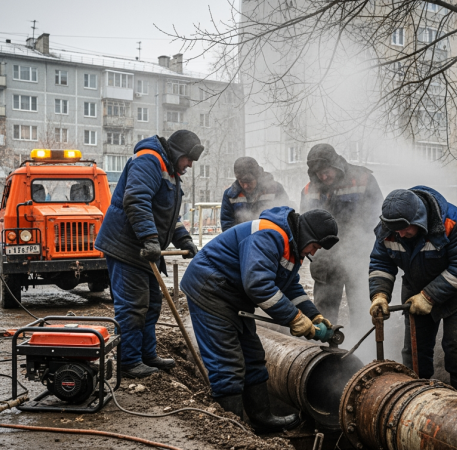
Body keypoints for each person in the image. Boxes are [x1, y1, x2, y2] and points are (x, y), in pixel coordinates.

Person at [180, 206, 338, 433]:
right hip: (210, 290)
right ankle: (231, 430)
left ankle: (261, 418)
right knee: (227, 362)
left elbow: (290, 286)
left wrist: (314, 315)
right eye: (315, 246)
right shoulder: (269, 235)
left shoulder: (292, 246)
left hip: (232, 295)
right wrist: (295, 319)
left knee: (253, 356)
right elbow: (258, 285)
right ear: (309, 235)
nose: (314, 252)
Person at [95, 131, 202, 378]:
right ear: (177, 154)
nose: (189, 165)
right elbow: (136, 200)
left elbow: (168, 216)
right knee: (133, 305)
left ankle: (146, 355)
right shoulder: (149, 160)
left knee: (152, 304)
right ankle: (129, 362)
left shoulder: (171, 172)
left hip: (145, 249)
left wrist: (184, 239)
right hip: (127, 247)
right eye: (188, 159)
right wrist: (150, 239)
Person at [368, 187, 457, 396]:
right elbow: (381, 263)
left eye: (405, 228)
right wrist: (379, 295)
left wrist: (429, 296)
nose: (400, 234)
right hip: (416, 288)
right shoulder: (388, 228)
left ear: (419, 219)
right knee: (415, 349)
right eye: (396, 231)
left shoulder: (453, 222)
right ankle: (417, 394)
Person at [300, 143, 383, 327]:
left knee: (362, 309)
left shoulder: (363, 179)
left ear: (336, 164)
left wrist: (370, 249)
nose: (323, 176)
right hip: (325, 261)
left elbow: (377, 216)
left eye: (326, 170)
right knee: (323, 314)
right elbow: (305, 226)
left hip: (358, 257)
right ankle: (325, 352)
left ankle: (362, 350)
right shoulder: (309, 190)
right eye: (318, 173)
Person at [220, 157, 290, 231]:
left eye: (249, 181)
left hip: (269, 237)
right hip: (242, 240)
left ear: (257, 177)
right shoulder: (230, 195)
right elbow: (227, 224)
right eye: (241, 182)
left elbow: (285, 218)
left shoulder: (275, 189)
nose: (245, 186)